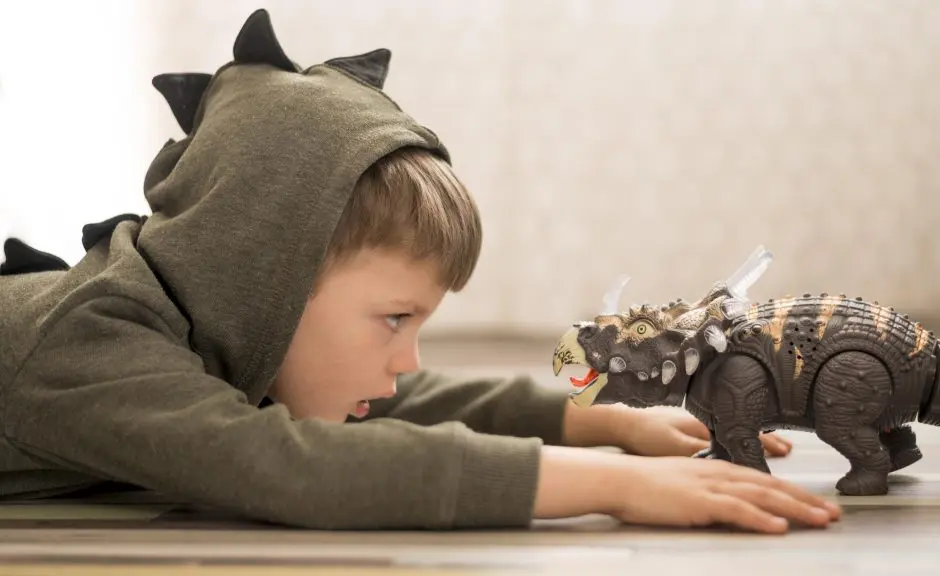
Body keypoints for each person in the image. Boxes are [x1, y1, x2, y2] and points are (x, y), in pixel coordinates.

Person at [0, 9, 840, 534]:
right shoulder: (90, 341)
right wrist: (614, 486)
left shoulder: (221, 320)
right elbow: (289, 467)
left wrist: (604, 422)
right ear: (270, 274)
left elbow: (392, 400)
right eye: (394, 320)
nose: (405, 359)